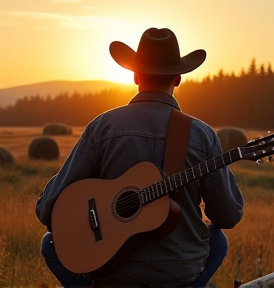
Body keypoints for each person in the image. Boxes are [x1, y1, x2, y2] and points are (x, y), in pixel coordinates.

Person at [36, 27, 244, 288]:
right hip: (178, 276)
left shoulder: (103, 127)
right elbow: (228, 217)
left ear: (135, 75)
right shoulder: (202, 135)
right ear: (178, 79)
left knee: (50, 244)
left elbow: (48, 211)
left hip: (111, 275)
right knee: (218, 240)